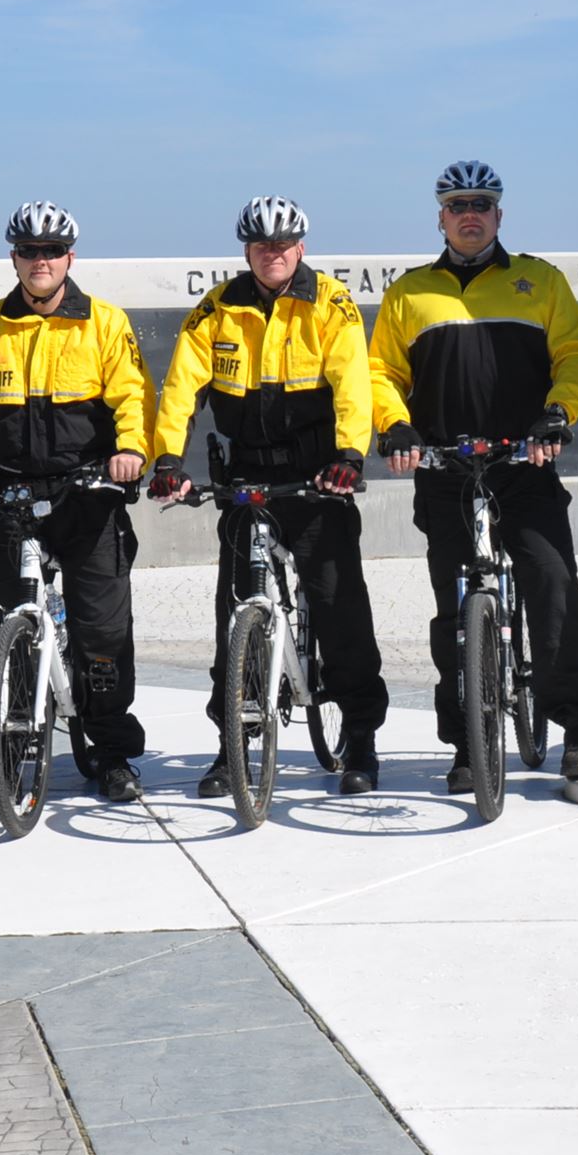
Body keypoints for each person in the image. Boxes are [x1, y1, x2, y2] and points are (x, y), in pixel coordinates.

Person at [371, 159, 578, 789]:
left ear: (499, 214)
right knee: (453, 613)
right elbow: (381, 374)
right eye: (457, 205)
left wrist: (557, 413)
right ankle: (467, 741)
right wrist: (395, 427)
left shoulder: (540, 280)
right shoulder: (410, 291)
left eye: (481, 203)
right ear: (441, 217)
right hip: (446, 470)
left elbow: (577, 357)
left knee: (555, 586)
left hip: (522, 465)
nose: (469, 213)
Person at [0, 202, 153, 804]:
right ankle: (11, 752)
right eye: (28, 251)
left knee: (102, 634)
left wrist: (131, 450)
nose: (39, 261)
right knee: (10, 631)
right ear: (13, 257)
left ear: (70, 257)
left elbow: (133, 395)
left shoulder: (103, 322)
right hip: (13, 499)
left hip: (89, 498)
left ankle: (113, 753)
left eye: (51, 251)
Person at [151, 197, 389, 797]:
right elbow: (182, 389)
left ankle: (360, 736)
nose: (272, 254)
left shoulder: (331, 306)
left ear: (301, 248)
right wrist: (168, 461)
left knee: (340, 609)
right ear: (246, 251)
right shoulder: (216, 310)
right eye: (261, 246)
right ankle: (234, 745)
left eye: (282, 245)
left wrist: (349, 457)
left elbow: (353, 386)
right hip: (244, 478)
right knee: (233, 611)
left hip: (317, 479)